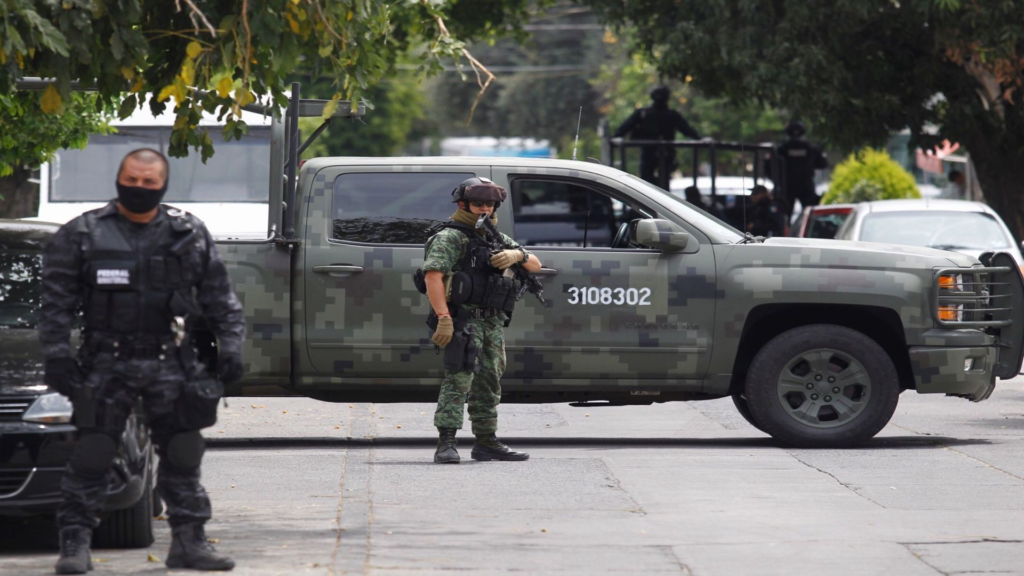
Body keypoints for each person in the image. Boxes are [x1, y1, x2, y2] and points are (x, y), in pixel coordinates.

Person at [40, 148, 245, 574]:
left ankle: (189, 542)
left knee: (183, 451)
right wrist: (57, 355)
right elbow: (56, 303)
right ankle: (75, 545)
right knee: (94, 452)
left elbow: (221, 299)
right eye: (131, 180)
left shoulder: (186, 233)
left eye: (149, 183)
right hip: (103, 361)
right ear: (119, 179)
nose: (139, 188)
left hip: (170, 360)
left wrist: (231, 347)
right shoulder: (84, 233)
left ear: (163, 185)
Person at [420, 177, 543, 464]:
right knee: (459, 380)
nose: (484, 209)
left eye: (489, 204)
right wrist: (444, 318)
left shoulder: (493, 236)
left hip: (492, 322)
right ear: (463, 205)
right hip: (463, 321)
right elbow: (433, 277)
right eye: (478, 204)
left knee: (489, 381)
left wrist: (517, 254)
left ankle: (486, 441)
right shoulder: (450, 237)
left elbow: (536, 265)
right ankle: (446, 443)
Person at [614, 86, 701, 189]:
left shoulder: (670, 115)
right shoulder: (645, 113)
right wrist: (617, 137)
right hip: (650, 152)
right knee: (648, 182)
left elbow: (687, 130)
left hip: (665, 153)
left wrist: (700, 139)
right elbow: (625, 127)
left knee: (660, 183)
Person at [766, 120, 828, 217]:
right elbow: (823, 164)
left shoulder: (781, 148)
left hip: (787, 186)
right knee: (809, 214)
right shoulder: (810, 148)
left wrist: (777, 181)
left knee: (785, 215)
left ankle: (785, 231)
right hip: (805, 186)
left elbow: (769, 168)